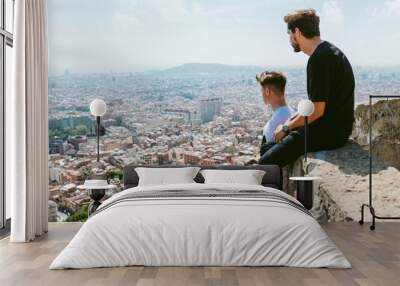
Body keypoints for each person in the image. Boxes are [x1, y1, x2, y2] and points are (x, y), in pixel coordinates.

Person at [258, 9, 355, 167]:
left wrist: (286, 127)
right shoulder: (328, 52)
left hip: (329, 133)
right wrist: (290, 122)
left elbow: (317, 110)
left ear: (297, 32)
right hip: (335, 129)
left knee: (266, 163)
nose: (290, 39)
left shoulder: (320, 59)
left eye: (290, 33)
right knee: (267, 147)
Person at [256, 71, 292, 157]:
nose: (261, 94)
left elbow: (267, 155)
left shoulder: (273, 123)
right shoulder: (292, 112)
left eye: (262, 90)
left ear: (267, 91)